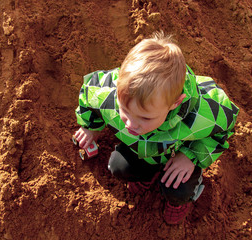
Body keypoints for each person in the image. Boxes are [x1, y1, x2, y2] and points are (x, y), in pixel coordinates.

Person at [74, 31, 239, 224]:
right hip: (139, 148)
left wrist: (191, 156)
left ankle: (180, 200)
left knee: (178, 189)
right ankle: (146, 175)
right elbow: (88, 93)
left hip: (176, 155)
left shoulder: (200, 115)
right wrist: (91, 127)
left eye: (145, 117)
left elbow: (224, 126)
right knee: (118, 167)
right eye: (124, 110)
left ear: (174, 104)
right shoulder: (109, 93)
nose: (130, 124)